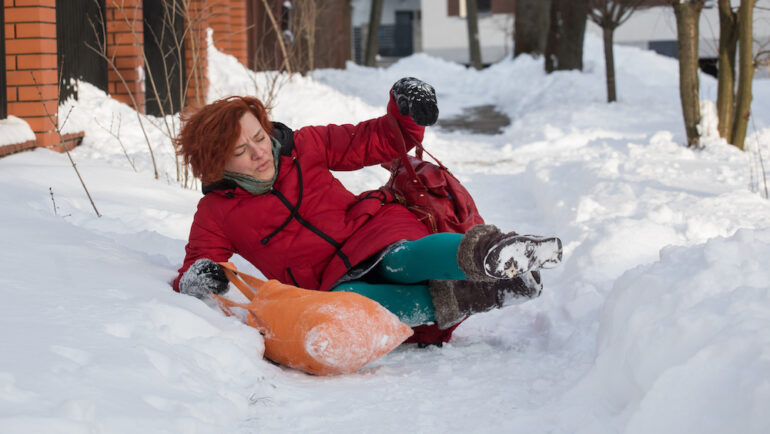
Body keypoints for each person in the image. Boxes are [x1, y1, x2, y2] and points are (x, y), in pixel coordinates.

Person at [172, 77, 562, 345]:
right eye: (241, 151)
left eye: (259, 136)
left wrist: (406, 111)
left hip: (371, 230)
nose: (259, 152)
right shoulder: (216, 213)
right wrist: (199, 276)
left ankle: (491, 252)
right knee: (349, 302)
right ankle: (485, 292)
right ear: (217, 163)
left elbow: (372, 139)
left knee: (399, 259)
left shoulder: (305, 146)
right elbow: (199, 262)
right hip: (333, 280)